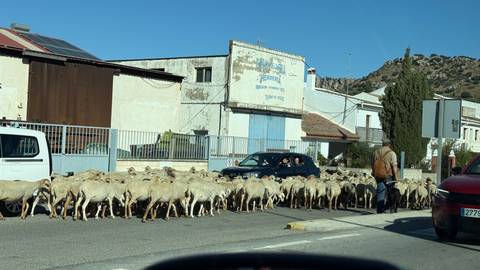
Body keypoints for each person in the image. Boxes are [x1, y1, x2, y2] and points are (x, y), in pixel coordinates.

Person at [372, 138, 399, 214]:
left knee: (381, 192)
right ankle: (387, 208)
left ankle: (380, 211)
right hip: (388, 176)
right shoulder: (391, 153)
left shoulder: (376, 152)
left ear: (382, 144)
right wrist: (396, 177)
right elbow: (394, 166)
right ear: (389, 144)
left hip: (378, 175)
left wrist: (374, 173)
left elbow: (372, 164)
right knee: (390, 193)